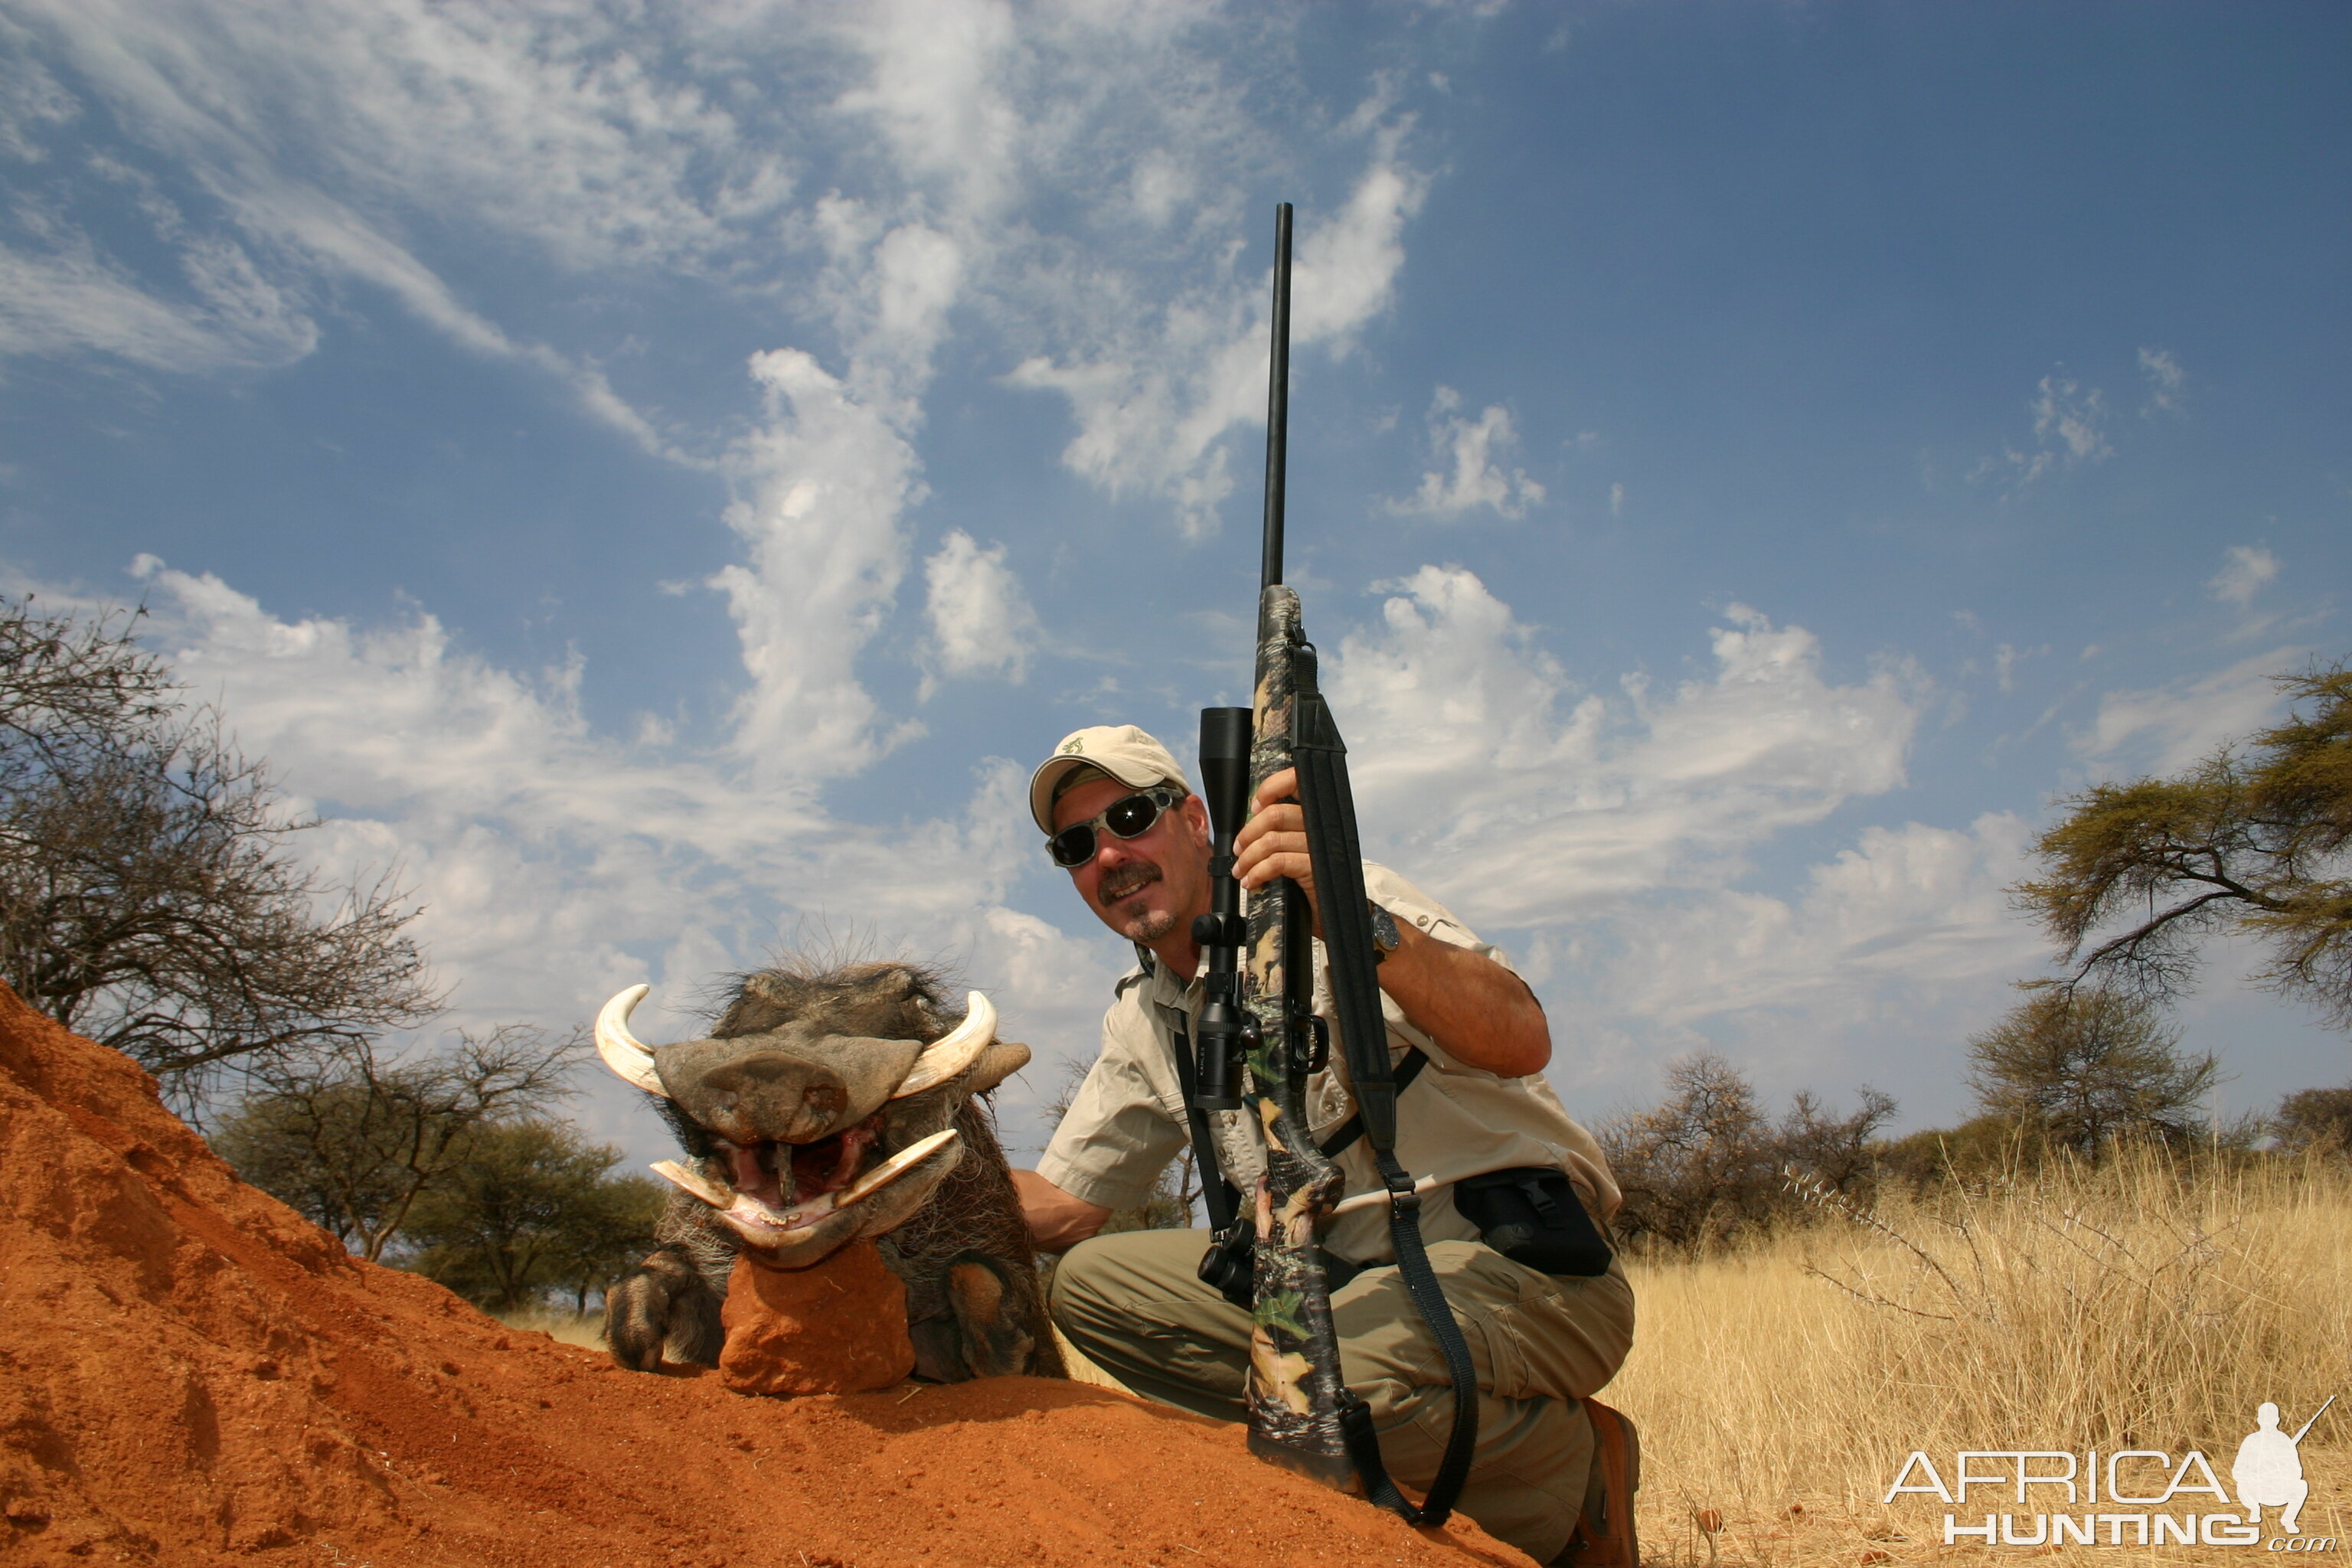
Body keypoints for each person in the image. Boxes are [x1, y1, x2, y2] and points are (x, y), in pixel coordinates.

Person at [1011, 724, 1638, 1566]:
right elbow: (1062, 1208)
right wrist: (891, 1165)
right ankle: (1344, 1481)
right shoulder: (1144, 1014)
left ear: (1196, 816)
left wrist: (1344, 912)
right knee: (1093, 1286)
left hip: (1516, 1266)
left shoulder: (1334, 894)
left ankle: (1568, 1471)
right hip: (1334, 1288)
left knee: (1324, 1391)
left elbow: (1521, 1034)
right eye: (1077, 844)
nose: (1109, 854)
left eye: (1130, 816)